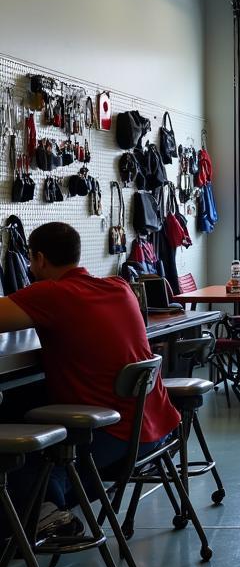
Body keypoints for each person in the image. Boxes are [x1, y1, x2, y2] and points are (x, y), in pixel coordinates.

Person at [0, 222, 179, 534]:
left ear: (39, 258)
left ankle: (45, 514)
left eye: (30, 260)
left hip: (109, 437)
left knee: (16, 447)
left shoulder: (50, 293)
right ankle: (47, 510)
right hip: (152, 429)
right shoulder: (119, 287)